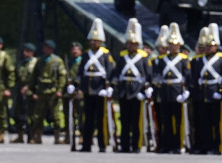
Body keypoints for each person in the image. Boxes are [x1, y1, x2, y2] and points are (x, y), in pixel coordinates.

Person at [112, 19, 151, 153]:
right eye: (129, 43)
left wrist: (144, 90)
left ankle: (136, 145)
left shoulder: (144, 57)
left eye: (133, 44)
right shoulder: (122, 57)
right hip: (124, 91)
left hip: (137, 91)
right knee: (125, 121)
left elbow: (147, 75)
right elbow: (117, 73)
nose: (131, 46)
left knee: (136, 122)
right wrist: (113, 85)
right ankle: (124, 145)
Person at [76, 19, 115, 152]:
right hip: (88, 88)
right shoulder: (86, 54)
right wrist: (76, 85)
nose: (93, 42)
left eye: (95, 40)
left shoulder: (105, 55)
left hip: (100, 88)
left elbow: (110, 71)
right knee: (88, 118)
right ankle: (86, 144)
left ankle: (102, 144)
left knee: (101, 119)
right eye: (91, 40)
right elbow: (81, 71)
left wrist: (110, 87)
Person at [190, 25, 222, 154]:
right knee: (203, 123)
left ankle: (216, 147)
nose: (208, 48)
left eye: (211, 46)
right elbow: (195, 77)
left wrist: (221, 91)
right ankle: (203, 146)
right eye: (206, 46)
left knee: (216, 123)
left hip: (215, 94)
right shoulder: (200, 60)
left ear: (216, 46)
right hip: (203, 94)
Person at [153, 23, 190, 154]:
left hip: (177, 91)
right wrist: (155, 83)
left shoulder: (184, 59)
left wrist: (186, 92)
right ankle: (166, 145)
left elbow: (187, 76)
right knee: (165, 120)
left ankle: (178, 145)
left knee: (178, 121)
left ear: (179, 45)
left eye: (174, 44)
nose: (171, 46)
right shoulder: (162, 59)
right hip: (165, 91)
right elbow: (157, 74)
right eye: (169, 44)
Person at [30, 40, 67, 144]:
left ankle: (57, 136)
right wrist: (32, 90)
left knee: (55, 115)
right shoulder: (40, 60)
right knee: (38, 115)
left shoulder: (57, 61)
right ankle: (37, 136)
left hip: (53, 91)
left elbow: (62, 76)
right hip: (41, 91)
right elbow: (34, 76)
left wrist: (59, 90)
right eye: (44, 47)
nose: (45, 49)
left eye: (48, 48)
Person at [0, 35, 15, 143]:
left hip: (0, 88)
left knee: (2, 113)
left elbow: (10, 73)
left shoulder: (4, 57)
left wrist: (8, 88)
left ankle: (2, 133)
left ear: (0, 45)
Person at [13, 43, 37, 143]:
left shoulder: (35, 63)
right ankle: (20, 136)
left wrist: (31, 89)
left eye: (27, 51)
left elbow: (36, 78)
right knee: (18, 114)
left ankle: (32, 136)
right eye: (24, 51)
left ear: (32, 52)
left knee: (31, 115)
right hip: (20, 91)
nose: (24, 53)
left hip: (31, 91)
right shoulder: (20, 63)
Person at [63, 41, 83, 145]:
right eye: (72, 50)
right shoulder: (69, 62)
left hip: (79, 91)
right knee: (68, 114)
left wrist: (80, 89)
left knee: (81, 114)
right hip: (69, 92)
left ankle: (82, 135)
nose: (74, 51)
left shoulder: (83, 62)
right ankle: (68, 135)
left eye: (76, 49)